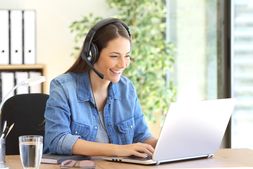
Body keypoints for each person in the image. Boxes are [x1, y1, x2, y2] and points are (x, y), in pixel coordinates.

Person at [44, 18, 157, 158]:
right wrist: (117, 150)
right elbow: (57, 139)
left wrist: (165, 144)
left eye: (127, 56)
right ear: (92, 54)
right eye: (114, 56)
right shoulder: (63, 87)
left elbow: (142, 136)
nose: (123, 64)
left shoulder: (126, 89)